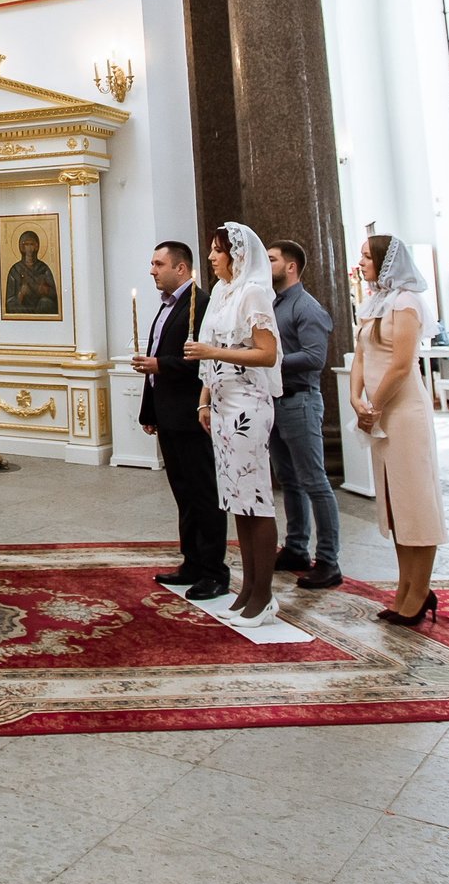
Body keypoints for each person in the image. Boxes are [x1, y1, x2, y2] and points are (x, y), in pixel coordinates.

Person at [188, 224, 286, 625]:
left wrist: (214, 350)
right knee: (235, 500)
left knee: (256, 499)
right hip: (223, 404)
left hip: (249, 405)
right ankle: (248, 586)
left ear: (238, 256)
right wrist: (204, 401)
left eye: (217, 250)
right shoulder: (222, 295)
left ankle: (264, 594)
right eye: (212, 250)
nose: (211, 257)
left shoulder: (252, 292)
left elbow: (267, 354)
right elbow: (208, 361)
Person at [352, 233, 445, 624]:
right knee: (393, 503)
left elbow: (402, 364)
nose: (361, 264)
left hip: (403, 412)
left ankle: (419, 590)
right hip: (378, 411)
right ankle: (405, 586)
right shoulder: (373, 303)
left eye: (367, 258)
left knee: (414, 502)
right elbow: (361, 355)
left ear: (386, 262)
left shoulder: (407, 303)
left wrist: (375, 405)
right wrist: (357, 399)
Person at [132, 240, 226, 599]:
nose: (153, 270)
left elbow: (202, 361)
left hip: (191, 413)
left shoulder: (201, 305)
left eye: (159, 264)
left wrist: (159, 365)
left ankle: (214, 570)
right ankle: (192, 561)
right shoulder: (167, 307)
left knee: (203, 493)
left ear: (181, 268)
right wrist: (149, 411)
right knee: (183, 493)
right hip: (168, 413)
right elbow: (154, 359)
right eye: (153, 264)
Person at [266, 239, 343, 589]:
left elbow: (314, 357)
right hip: (277, 400)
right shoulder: (275, 303)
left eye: (271, 260)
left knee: (314, 481)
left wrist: (271, 361)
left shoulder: (307, 307)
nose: (266, 266)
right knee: (289, 480)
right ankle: (296, 547)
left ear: (291, 266)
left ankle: (328, 560)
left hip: (300, 400)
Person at [3, 229, 59, 316]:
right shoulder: (15, 270)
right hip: (22, 309)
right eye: (26, 244)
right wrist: (20, 294)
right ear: (22, 247)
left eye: (32, 244)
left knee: (45, 302)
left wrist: (46, 290)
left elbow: (54, 298)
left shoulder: (43, 269)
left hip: (40, 309)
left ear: (36, 246)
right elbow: (8, 303)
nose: (29, 248)